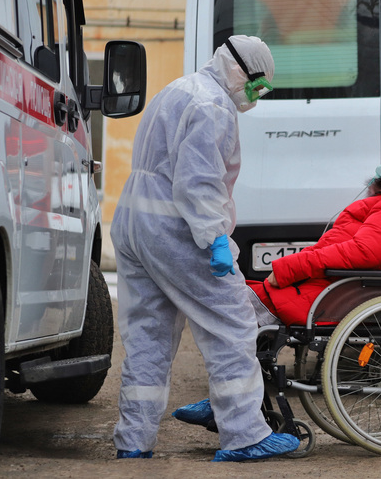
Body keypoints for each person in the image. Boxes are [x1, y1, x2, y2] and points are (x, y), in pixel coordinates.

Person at [111, 35, 300, 462]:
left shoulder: (176, 89)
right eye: (257, 88)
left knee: (148, 336)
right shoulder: (212, 106)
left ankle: (134, 441)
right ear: (239, 71)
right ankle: (244, 432)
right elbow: (197, 183)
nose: (256, 98)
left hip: (132, 223)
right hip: (174, 229)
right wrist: (215, 238)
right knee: (233, 322)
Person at [249, 129, 381, 327]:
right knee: (233, 300)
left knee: (231, 308)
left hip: (337, 294)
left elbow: (364, 251)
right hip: (335, 287)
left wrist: (293, 267)